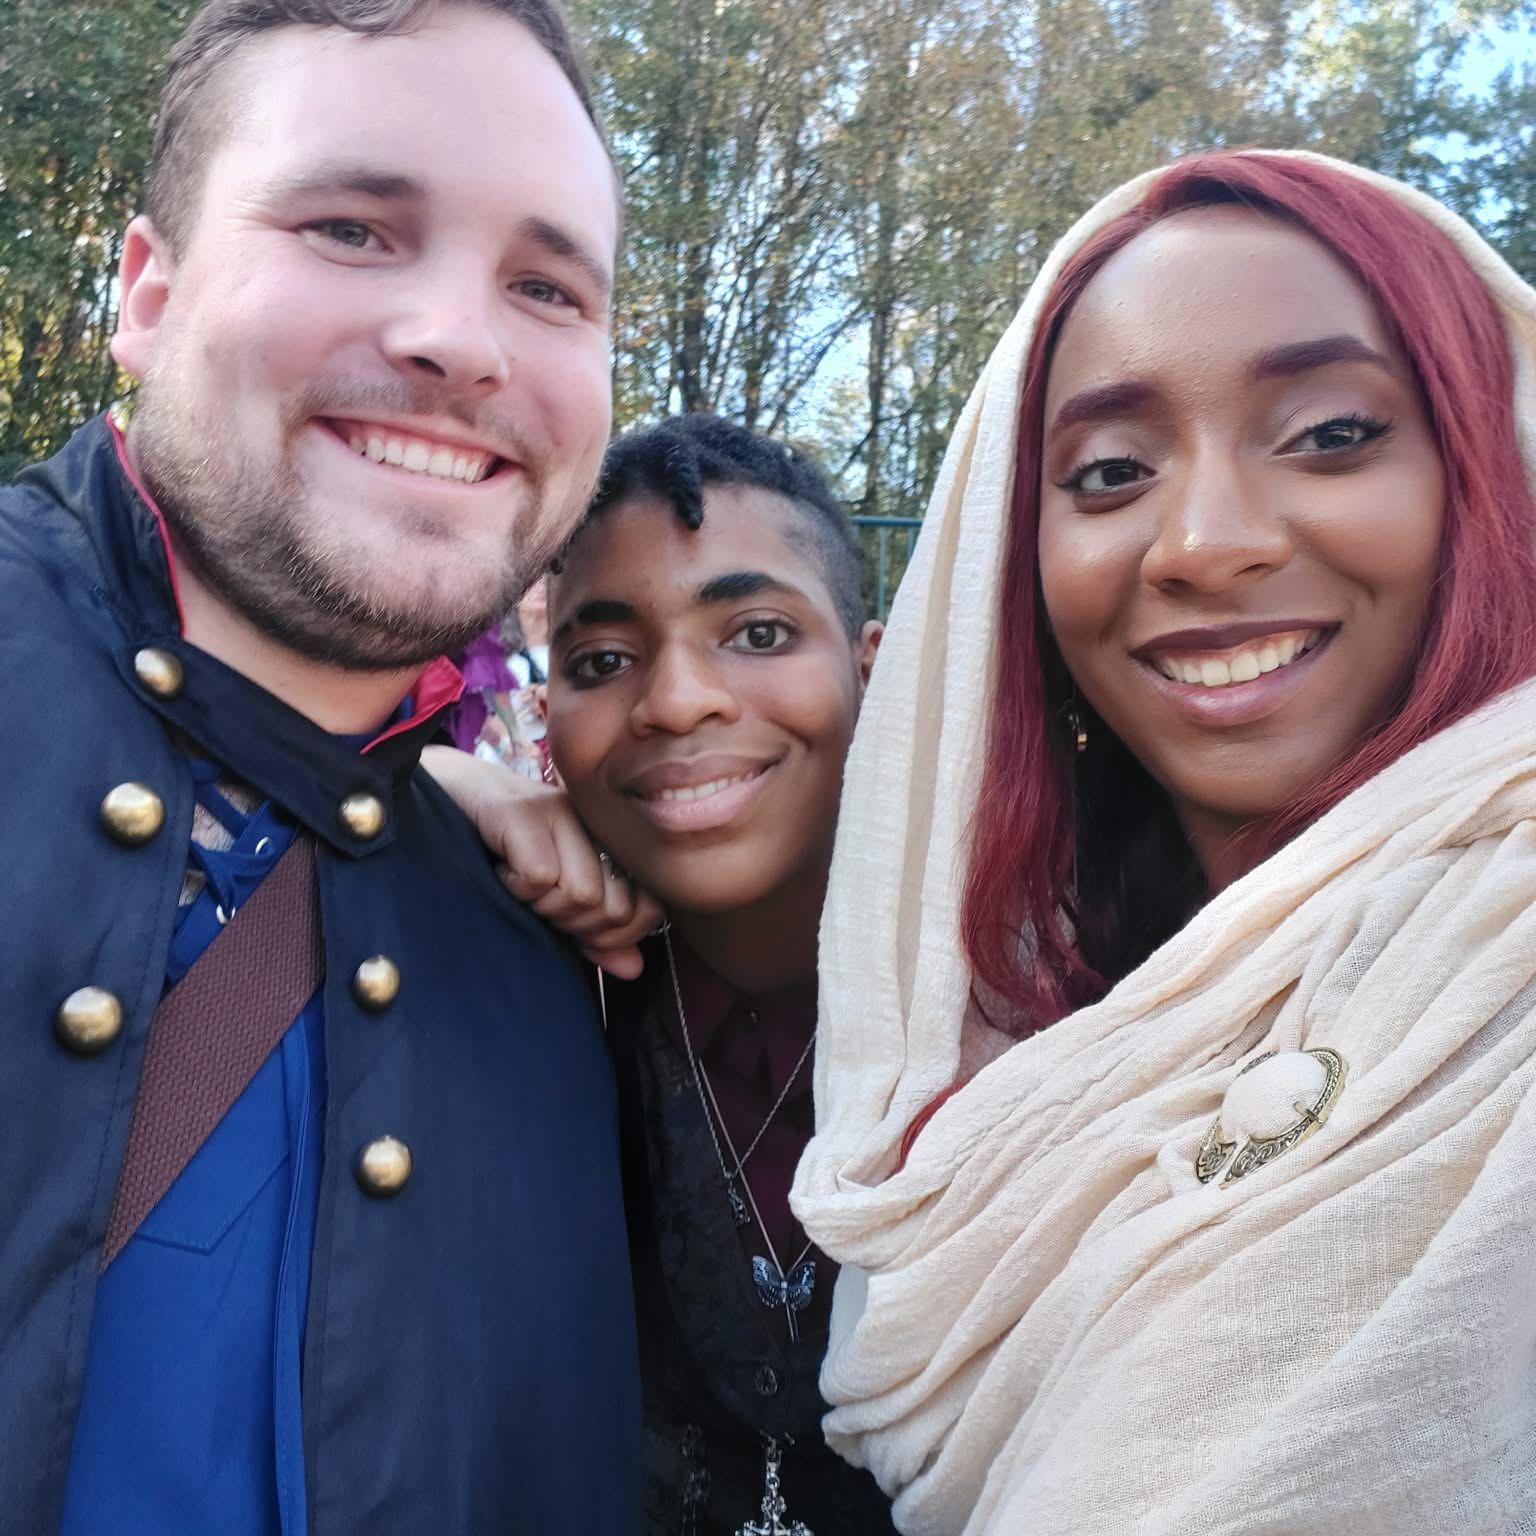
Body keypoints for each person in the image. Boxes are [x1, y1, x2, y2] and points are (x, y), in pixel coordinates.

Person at [788, 149, 1536, 1533]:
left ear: (1484, 470)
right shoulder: (1011, 1012)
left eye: (1329, 434)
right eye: (1113, 469)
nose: (1204, 542)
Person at [0, 2, 638, 1532]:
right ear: (147, 290)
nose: (459, 340)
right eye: (353, 228)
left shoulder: (557, 957)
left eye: (547, 286)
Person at [427, 415, 896, 1533]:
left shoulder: (1043, 986)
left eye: (761, 633)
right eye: (603, 660)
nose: (678, 699)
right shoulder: (526, 990)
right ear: (547, 726)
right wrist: (441, 788)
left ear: (873, 672)